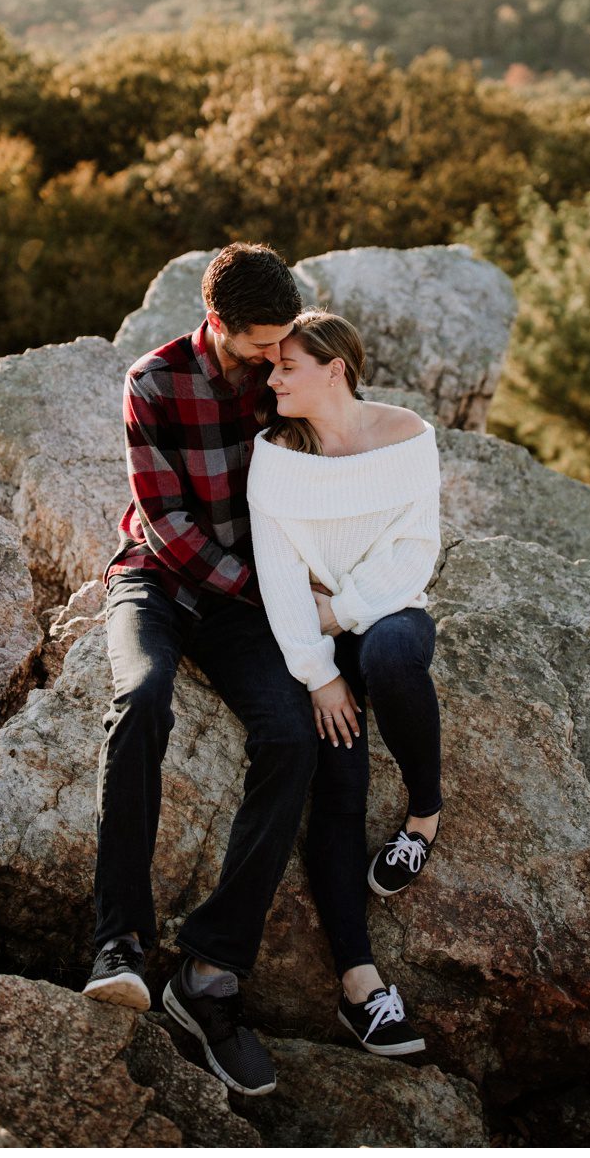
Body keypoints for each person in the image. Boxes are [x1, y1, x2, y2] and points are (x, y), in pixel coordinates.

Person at [82, 243, 313, 1098]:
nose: (276, 355)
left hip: (247, 600)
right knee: (141, 701)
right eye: (263, 341)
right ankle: (119, 943)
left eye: (285, 338)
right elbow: (167, 520)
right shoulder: (154, 380)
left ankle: (210, 977)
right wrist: (267, 594)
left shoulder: (288, 368)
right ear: (219, 324)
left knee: (292, 737)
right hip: (160, 578)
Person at [246, 310, 446, 1059]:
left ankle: (424, 814)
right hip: (313, 635)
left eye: (287, 366)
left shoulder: (408, 438)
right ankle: (362, 988)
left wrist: (347, 613)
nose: (272, 379)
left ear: (335, 368)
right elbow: (279, 578)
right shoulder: (274, 457)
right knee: (338, 774)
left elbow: (414, 552)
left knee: (395, 655)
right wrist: (317, 672)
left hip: (387, 613)